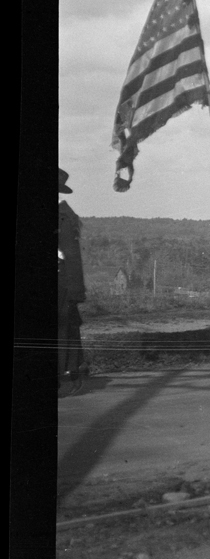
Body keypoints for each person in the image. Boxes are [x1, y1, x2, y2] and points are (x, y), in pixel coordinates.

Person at [58, 169, 88, 396]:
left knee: (64, 330)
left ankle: (68, 378)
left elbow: (71, 257)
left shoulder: (65, 218)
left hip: (62, 284)